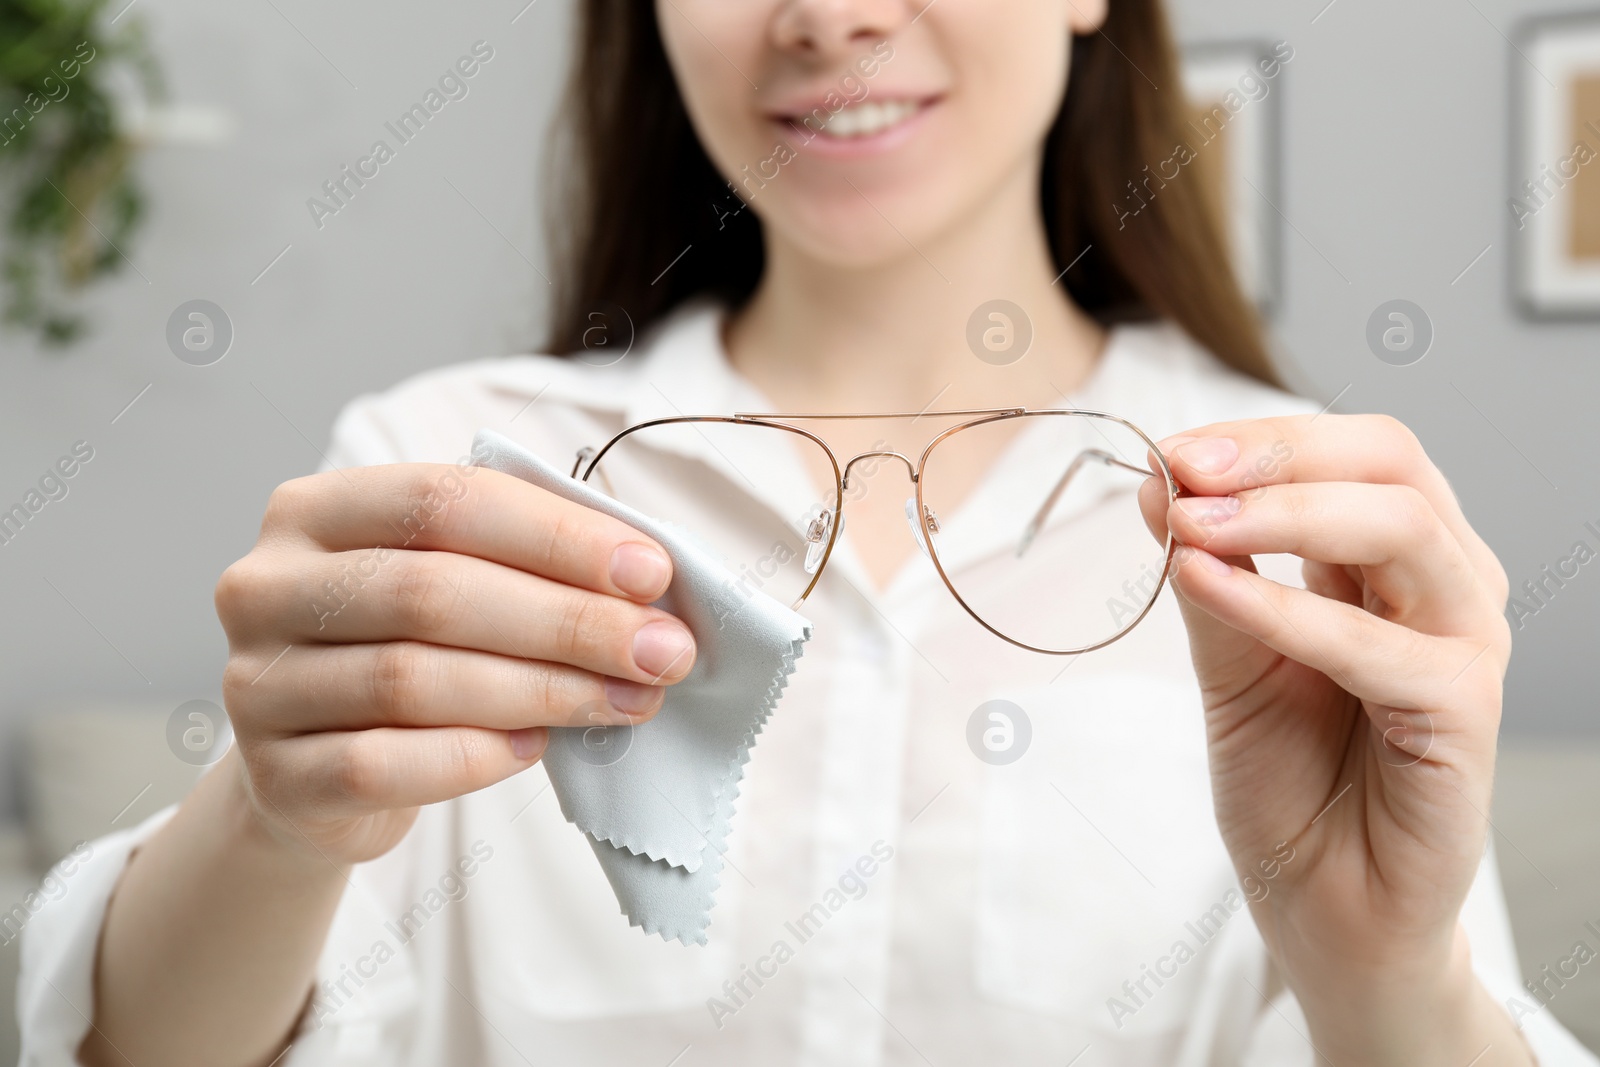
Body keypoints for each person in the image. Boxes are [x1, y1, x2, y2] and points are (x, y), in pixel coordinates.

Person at [19, 1, 1597, 1064]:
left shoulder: (1298, 531)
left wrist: (1388, 977)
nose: (827, 12)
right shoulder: (458, 478)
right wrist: (276, 823)